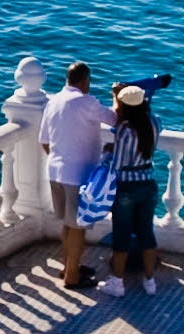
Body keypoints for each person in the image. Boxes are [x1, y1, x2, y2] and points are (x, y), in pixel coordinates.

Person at [38, 61, 113, 294]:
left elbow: (44, 141)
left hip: (55, 171)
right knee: (78, 227)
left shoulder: (53, 102)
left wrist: (61, 160)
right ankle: (72, 276)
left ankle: (69, 266)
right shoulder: (87, 102)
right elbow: (116, 120)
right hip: (77, 175)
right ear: (85, 81)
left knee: (68, 226)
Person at [98, 83, 164, 297]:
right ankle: (150, 280)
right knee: (146, 233)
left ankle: (117, 283)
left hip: (126, 187)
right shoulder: (154, 122)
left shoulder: (125, 130)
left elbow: (116, 164)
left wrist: (108, 151)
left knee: (122, 236)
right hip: (148, 185)